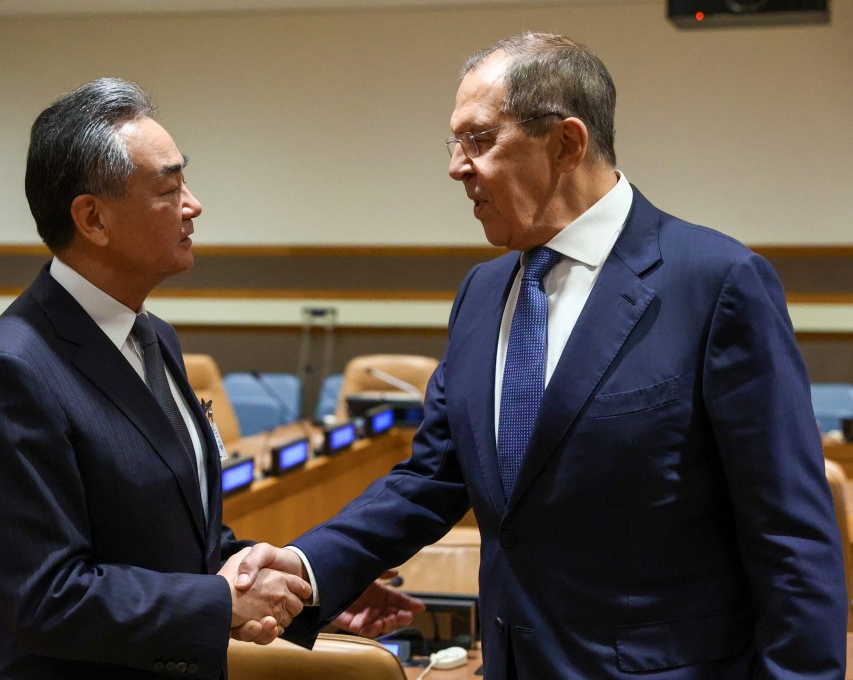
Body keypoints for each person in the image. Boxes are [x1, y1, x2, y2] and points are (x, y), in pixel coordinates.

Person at [239, 32, 848, 678]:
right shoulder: (481, 293)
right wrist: (304, 568)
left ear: (567, 144)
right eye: (454, 143)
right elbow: (431, 479)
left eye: (479, 140)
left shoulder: (715, 283)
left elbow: (790, 541)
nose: (455, 166)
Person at [0, 77, 315, 679]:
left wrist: (301, 590)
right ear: (93, 218)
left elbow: (183, 537)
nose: (193, 205)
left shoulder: (153, 334)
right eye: (169, 188)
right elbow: (46, 598)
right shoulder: (8, 371)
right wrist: (223, 602)